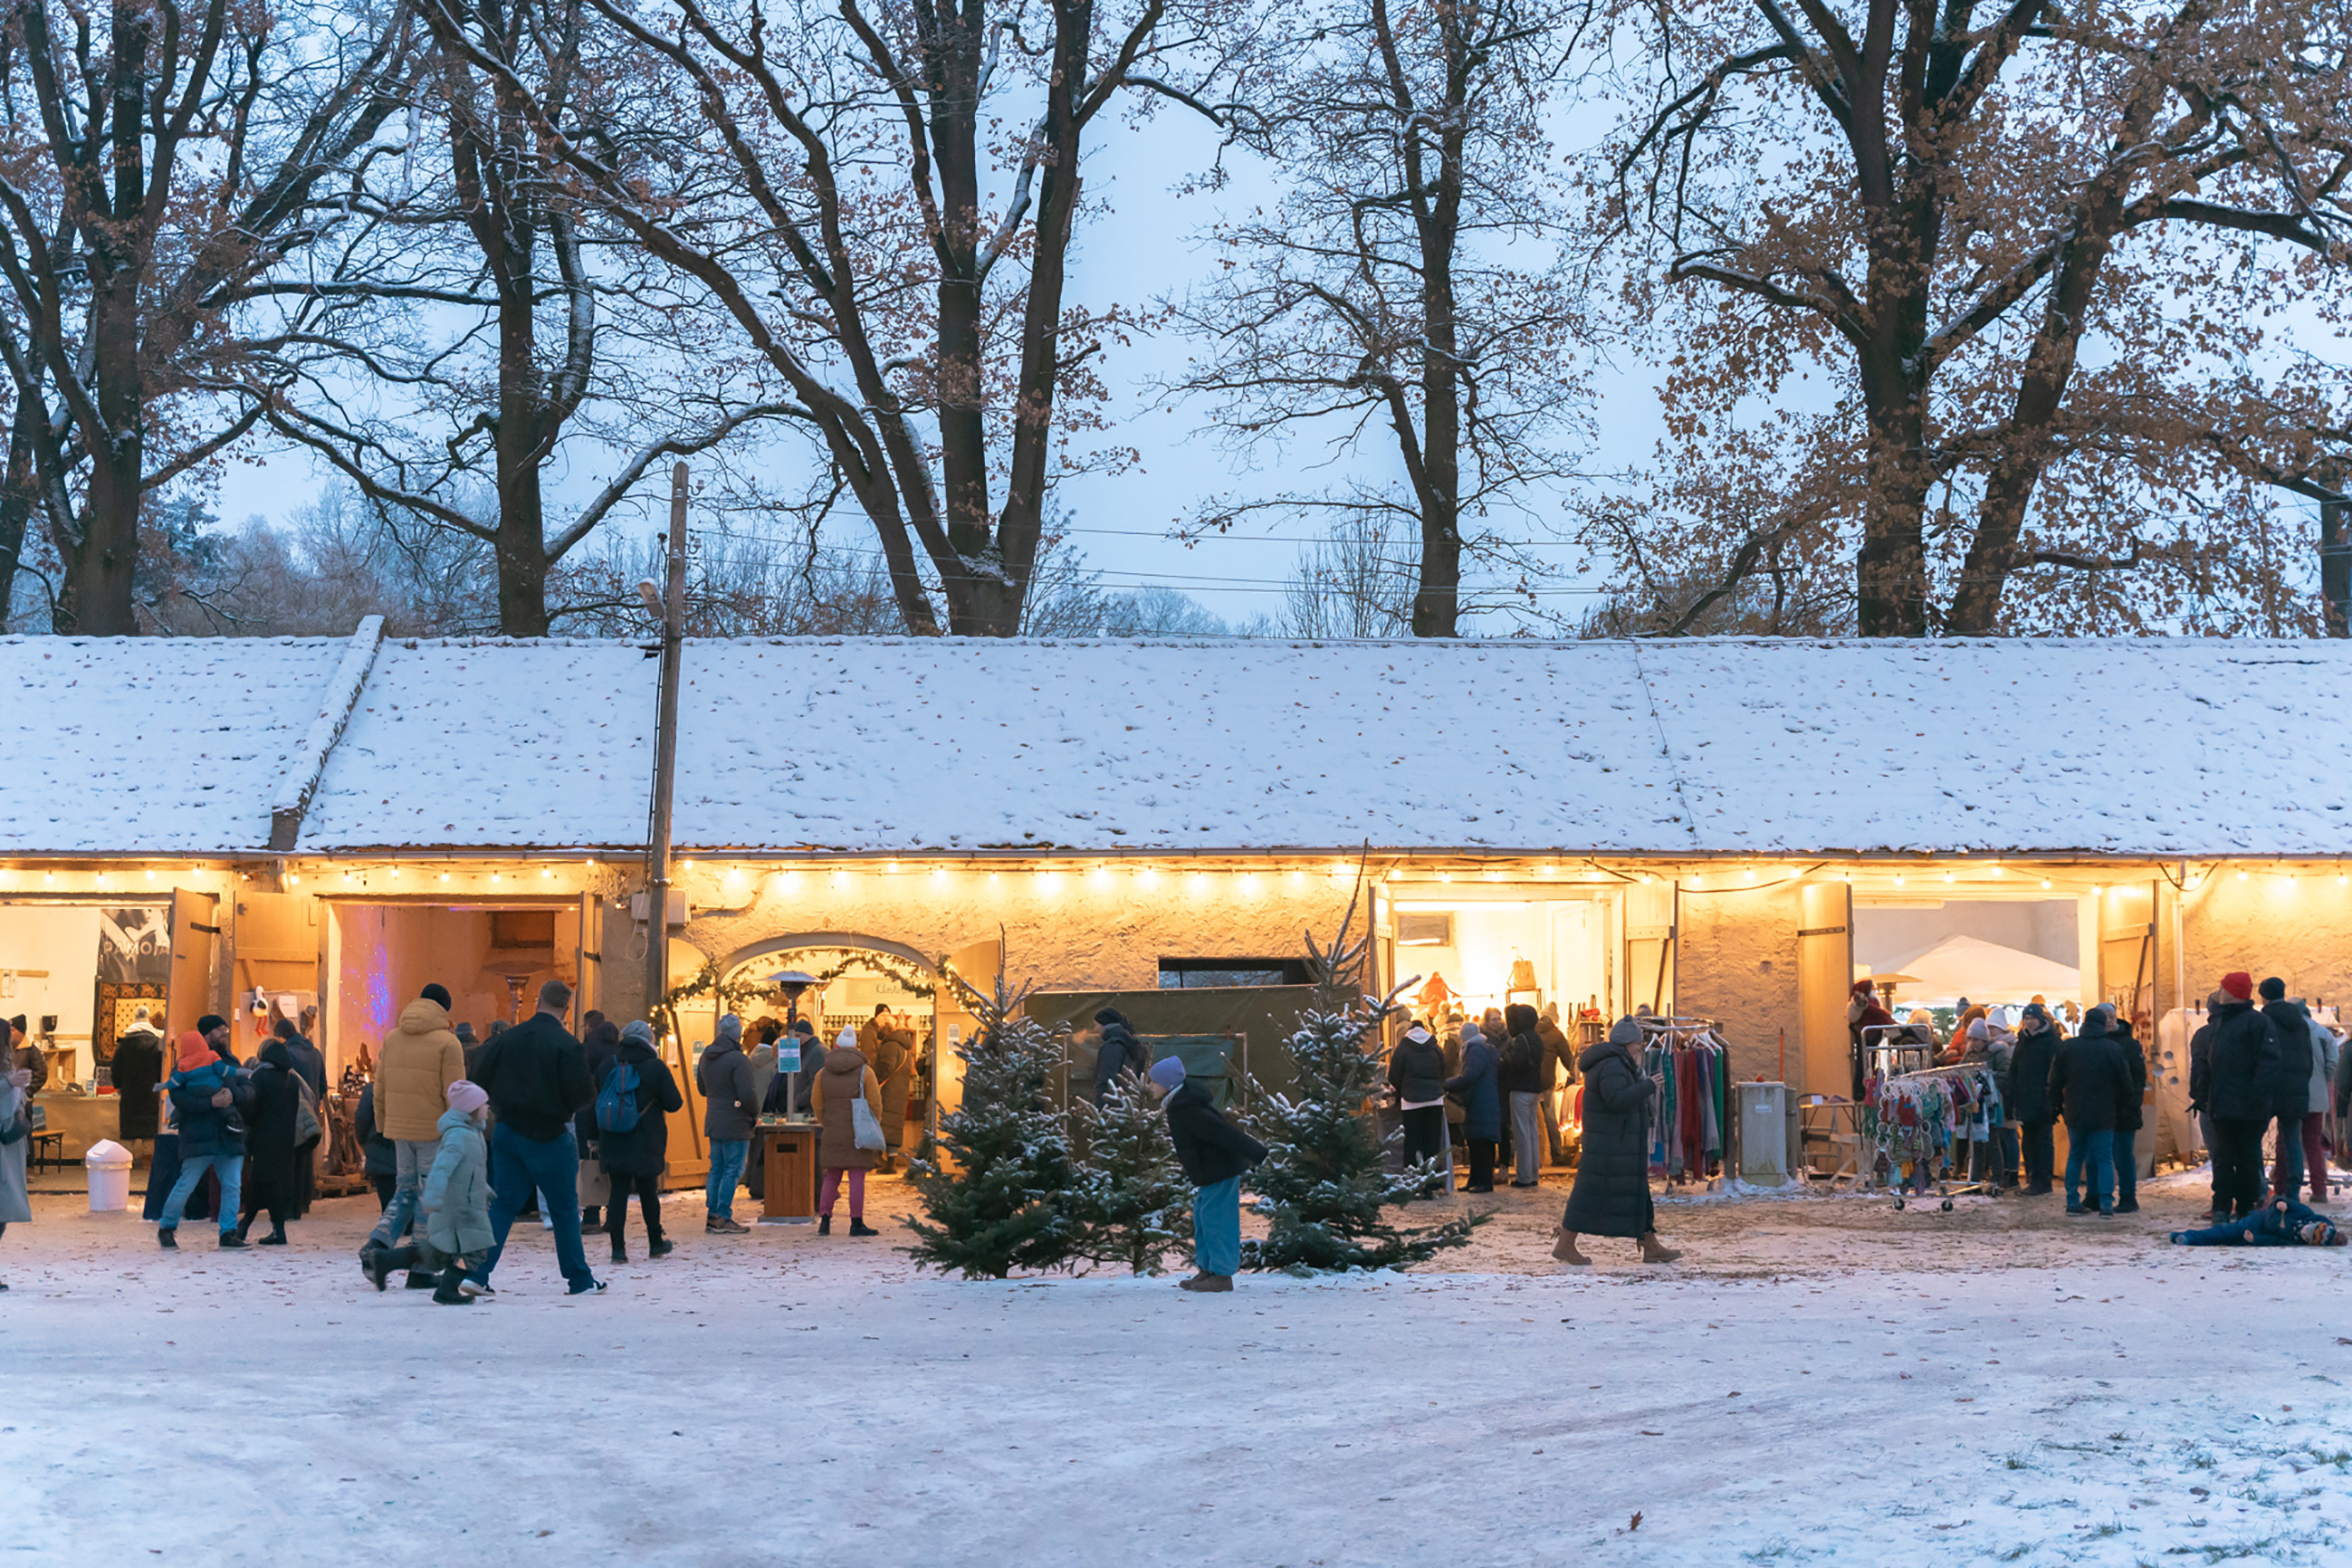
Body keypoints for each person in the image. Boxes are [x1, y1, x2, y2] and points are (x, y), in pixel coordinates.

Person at [464, 980, 600, 1296]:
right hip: (550, 1133)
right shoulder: (567, 1045)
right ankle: (579, 1279)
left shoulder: (507, 1039)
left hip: (508, 1130)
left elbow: (479, 1078)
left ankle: (477, 1273)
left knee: (503, 1206)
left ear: (538, 1001)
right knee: (565, 1208)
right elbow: (584, 1095)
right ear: (566, 1008)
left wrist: (499, 1104)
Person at [363, 985, 467, 1286]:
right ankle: (421, 1269)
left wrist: (385, 1125)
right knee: (430, 1198)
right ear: (445, 1009)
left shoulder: (393, 1038)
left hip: (399, 1130)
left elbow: (378, 1090)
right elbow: (455, 1094)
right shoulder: (448, 1043)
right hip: (432, 1132)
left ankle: (378, 1244)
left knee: (405, 1191)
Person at [1555, 1017, 1680, 1266]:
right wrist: (1647, 1086)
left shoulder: (1617, 1063)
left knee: (1635, 1193)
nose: (1640, 1048)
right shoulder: (1613, 1065)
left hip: (1617, 1144)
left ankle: (1650, 1245)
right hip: (1610, 1145)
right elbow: (1616, 1100)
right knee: (1588, 1193)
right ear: (1627, 1043)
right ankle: (1565, 1244)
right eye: (1637, 1043)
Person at [367, 1080, 496, 1305]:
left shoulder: (472, 1133)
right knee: (475, 1250)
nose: (488, 1108)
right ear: (472, 1109)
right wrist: (432, 1198)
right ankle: (447, 1290)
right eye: (484, 1104)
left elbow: (471, 1172)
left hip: (465, 1204)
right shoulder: (459, 1136)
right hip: (458, 1208)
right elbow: (441, 1169)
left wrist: (485, 1191)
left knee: (440, 1252)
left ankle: (385, 1259)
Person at [1149, 1055, 1267, 1293]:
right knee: (1203, 1218)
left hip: (1219, 1171)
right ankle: (1207, 1270)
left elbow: (1223, 1133)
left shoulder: (1188, 1109)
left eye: (1154, 1081)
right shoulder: (1181, 1105)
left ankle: (1222, 1275)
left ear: (1168, 1085)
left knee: (1217, 1220)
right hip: (1208, 1172)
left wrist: (1258, 1153)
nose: (1150, 1086)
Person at [2190, 971, 2280, 1221]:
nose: (2219, 991)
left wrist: (2256, 1095)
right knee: (2223, 1158)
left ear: (2232, 993)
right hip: (2222, 1104)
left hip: (2248, 1107)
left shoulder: (2258, 1023)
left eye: (2223, 987)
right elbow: (2208, 1064)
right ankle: (2221, 1205)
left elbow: (2269, 1063)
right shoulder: (2220, 1024)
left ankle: (2245, 1207)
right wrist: (2202, 1093)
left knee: (2247, 1159)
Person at [597, 1020, 684, 1264]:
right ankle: (655, 1242)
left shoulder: (608, 1064)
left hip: (613, 1137)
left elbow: (596, 1101)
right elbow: (674, 1103)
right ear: (648, 1041)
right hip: (646, 1137)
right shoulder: (654, 1067)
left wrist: (593, 1137)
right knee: (648, 1192)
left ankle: (618, 1249)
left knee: (618, 1191)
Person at [156, 1030, 252, 1251]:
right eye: (219, 1031)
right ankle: (168, 1227)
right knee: (196, 1185)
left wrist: (232, 1096)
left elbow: (246, 1090)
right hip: (212, 1135)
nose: (223, 1034)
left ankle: (226, 1232)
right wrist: (212, 1102)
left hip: (220, 1134)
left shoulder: (190, 1068)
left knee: (224, 1185)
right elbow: (180, 1099)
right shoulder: (210, 1064)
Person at [2050, 1004, 2131, 1216]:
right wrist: (2122, 1106)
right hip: (2104, 1112)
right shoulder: (2112, 1049)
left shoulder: (2068, 1047)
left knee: (2075, 1156)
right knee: (2104, 1158)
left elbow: (2055, 1080)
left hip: (2075, 1111)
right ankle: (2106, 1203)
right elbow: (2125, 1083)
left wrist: (2057, 1105)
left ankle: (2072, 1200)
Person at [234, 1028, 304, 1246]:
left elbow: (251, 1107)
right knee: (263, 1181)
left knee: (266, 1182)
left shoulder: (260, 1076)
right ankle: (247, 1226)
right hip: (285, 1137)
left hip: (264, 1137)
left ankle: (275, 1230)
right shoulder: (291, 1079)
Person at [811, 1027, 883, 1237]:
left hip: (832, 1128)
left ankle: (824, 1220)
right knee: (857, 1175)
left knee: (832, 1175)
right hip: (857, 1131)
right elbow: (875, 1103)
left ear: (836, 1046)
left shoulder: (822, 1073)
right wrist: (872, 1124)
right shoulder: (865, 1072)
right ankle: (856, 1222)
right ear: (855, 1048)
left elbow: (816, 1102)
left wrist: (827, 1121)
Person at [697, 1014, 758, 1234]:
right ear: (737, 1034)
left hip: (714, 1119)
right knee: (733, 1169)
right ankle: (723, 1215)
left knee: (717, 1168)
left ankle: (713, 1214)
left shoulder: (707, 1055)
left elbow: (702, 1089)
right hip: (736, 1121)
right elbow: (747, 1093)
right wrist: (753, 1113)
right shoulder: (737, 1059)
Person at [2259, 979, 2316, 1201]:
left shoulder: (2263, 1020)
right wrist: (2303, 1080)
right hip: (2296, 1087)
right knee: (2293, 1139)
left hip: (2271, 1087)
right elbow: (2308, 1056)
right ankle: (2293, 1192)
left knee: (2254, 1137)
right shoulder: (2301, 1022)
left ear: (2263, 996)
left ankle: (2260, 1189)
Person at [275, 1015, 326, 1219]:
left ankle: (292, 1204)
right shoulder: (315, 1053)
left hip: (293, 1109)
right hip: (311, 1108)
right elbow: (322, 1084)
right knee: (306, 1158)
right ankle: (305, 1200)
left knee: (291, 1159)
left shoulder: (288, 1053)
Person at [575, 1018, 622, 1235]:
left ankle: (591, 1217)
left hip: (586, 1115)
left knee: (590, 1165)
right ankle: (613, 1217)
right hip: (612, 1116)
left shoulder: (584, 1053)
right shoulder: (618, 1057)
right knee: (614, 1168)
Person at [2009, 1003, 2060, 1196]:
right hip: (2024, 1097)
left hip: (2043, 1098)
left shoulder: (2051, 1042)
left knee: (2043, 1141)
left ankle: (2043, 1181)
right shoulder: (2023, 1040)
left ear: (2040, 1019)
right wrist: (2011, 1096)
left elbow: (2055, 1071)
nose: (2029, 1022)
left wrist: (2051, 1097)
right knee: (2029, 1141)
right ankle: (2033, 1178)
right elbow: (2014, 1069)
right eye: (2026, 1018)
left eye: (2032, 1018)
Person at [1446, 1016, 1501, 1193]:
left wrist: (1447, 1084)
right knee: (1477, 1142)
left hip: (1481, 1102)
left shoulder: (1475, 1050)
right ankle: (1475, 1180)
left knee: (1481, 1143)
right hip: (1483, 1101)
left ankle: (1484, 1182)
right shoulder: (1481, 1049)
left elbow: (1470, 1076)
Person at [2169, 1196, 2347, 1248]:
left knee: (2231, 1241)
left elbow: (2273, 1240)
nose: (2303, 1233)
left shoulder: (2292, 1239)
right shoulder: (2304, 1214)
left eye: (2307, 1238)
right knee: (2224, 1232)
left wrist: (2256, 1240)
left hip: (2256, 1233)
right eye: (2308, 1230)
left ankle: (2193, 1239)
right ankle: (2187, 1237)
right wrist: (2280, 1203)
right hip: (2255, 1222)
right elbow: (2281, 1201)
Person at [1387, 1021, 1449, 1171]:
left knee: (1412, 1143)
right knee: (1432, 1142)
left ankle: (1413, 1181)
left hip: (1411, 1101)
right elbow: (1444, 1070)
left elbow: (1393, 1076)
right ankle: (1432, 1181)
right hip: (1435, 1100)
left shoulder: (1402, 1048)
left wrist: (1400, 1090)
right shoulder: (1435, 1047)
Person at [1497, 1002, 1545, 1188]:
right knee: (1532, 1133)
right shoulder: (1536, 1038)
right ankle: (1533, 1174)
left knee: (1522, 1134)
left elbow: (1517, 1063)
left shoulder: (1522, 1039)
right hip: (1534, 1089)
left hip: (1520, 1089)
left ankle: (1524, 1176)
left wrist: (1504, 1061)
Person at [2107, 1009, 2150, 1214]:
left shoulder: (2129, 1045)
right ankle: (2098, 1195)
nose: (2107, 1021)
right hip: (2101, 1109)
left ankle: (2127, 1197)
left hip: (2124, 1110)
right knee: (2100, 1156)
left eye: (2110, 1017)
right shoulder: (2094, 1043)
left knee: (2123, 1156)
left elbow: (2139, 1078)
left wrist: (2132, 1104)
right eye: (2103, 1018)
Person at [111, 1005, 166, 1154]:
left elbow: (115, 1069)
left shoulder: (124, 1045)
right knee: (150, 1133)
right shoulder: (157, 1044)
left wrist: (118, 1085)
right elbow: (162, 1069)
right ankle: (149, 1162)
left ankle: (127, 1162)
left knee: (128, 1133)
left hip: (130, 1094)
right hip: (152, 1094)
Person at [871, 1009, 917, 1174]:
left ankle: (880, 1159)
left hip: (888, 1092)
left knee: (881, 1124)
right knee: (895, 1126)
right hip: (900, 1092)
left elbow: (886, 1067)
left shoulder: (889, 1046)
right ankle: (890, 1163)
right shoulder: (905, 1049)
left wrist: (875, 1081)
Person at [0, 1053, 30, 1289]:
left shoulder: (7, 1069)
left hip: (8, 1147)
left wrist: (19, 1088)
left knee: (2, 1216)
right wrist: (10, 1084)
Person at [1536, 1004, 1578, 1166]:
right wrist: (1577, 1075)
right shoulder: (1556, 1035)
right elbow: (1568, 1060)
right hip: (1547, 1082)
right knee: (1550, 1118)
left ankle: (1529, 1157)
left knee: (1529, 1120)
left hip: (1529, 1083)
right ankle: (1557, 1154)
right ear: (1554, 1019)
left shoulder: (1530, 1032)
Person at [352, 1079, 398, 1212]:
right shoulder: (415, 1084)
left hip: (380, 1146)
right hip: (408, 1145)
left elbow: (362, 1118)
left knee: (386, 1190)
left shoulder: (373, 1088)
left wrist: (362, 1140)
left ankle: (389, 1220)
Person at [1088, 1008, 1148, 1108]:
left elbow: (1107, 1080)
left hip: (1112, 1106)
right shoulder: (1130, 1043)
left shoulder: (1112, 1046)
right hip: (1129, 1104)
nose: (1095, 1030)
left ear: (1104, 1024)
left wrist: (1100, 1108)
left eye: (1096, 1025)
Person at [1847, 980, 1893, 1099]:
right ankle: (1864, 1090)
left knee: (1864, 1064)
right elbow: (1880, 1014)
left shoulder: (1861, 1000)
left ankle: (1862, 1090)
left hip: (1865, 1035)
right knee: (1867, 1064)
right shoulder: (1870, 1001)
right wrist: (1889, 1020)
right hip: (1870, 1036)